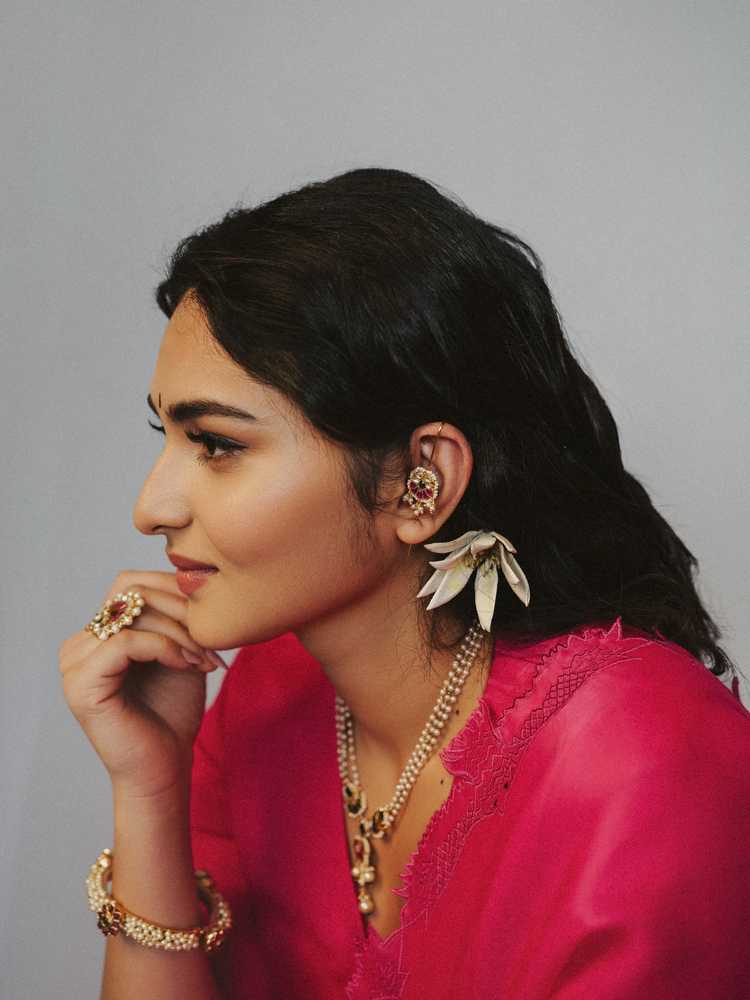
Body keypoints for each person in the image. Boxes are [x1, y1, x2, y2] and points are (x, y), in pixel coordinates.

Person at [59, 167, 750, 1000]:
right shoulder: (266, 701)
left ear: (421, 481)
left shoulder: (641, 763)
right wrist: (149, 790)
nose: (150, 508)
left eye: (217, 445)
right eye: (166, 437)